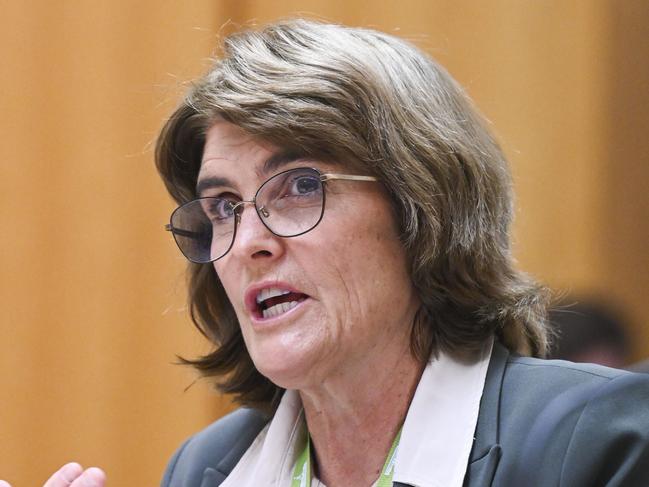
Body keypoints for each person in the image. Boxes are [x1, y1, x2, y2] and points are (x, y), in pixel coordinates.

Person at [6, 19, 649, 487]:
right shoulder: (208, 468)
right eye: (224, 206)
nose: (249, 242)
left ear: (420, 206)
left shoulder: (597, 442)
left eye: (299, 187)